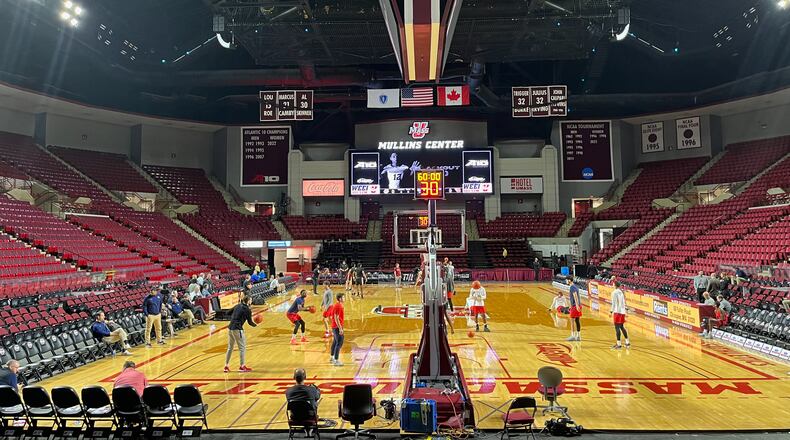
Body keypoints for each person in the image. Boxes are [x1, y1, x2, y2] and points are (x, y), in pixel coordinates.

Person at [224, 295, 256, 373]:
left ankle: (226, 366)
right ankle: (242, 366)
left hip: (230, 328)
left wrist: (235, 316)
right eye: (250, 300)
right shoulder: (247, 310)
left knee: (230, 348)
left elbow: (227, 313)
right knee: (242, 348)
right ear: (248, 301)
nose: (251, 301)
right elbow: (250, 322)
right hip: (237, 329)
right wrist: (256, 324)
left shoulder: (237, 305)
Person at [610, 281, 630, 349]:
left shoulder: (614, 292)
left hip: (617, 311)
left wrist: (611, 311)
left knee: (617, 328)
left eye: (613, 284)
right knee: (621, 326)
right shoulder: (621, 291)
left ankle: (619, 344)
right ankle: (627, 342)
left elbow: (614, 303)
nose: (612, 285)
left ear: (615, 285)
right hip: (622, 311)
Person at [330, 292, 346, 366]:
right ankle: (336, 360)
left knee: (335, 342)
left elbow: (332, 316)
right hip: (337, 327)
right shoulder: (339, 306)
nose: (344, 298)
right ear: (340, 299)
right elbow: (336, 318)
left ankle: (332, 357)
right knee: (339, 342)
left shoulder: (336, 305)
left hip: (334, 326)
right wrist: (340, 328)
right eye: (343, 297)